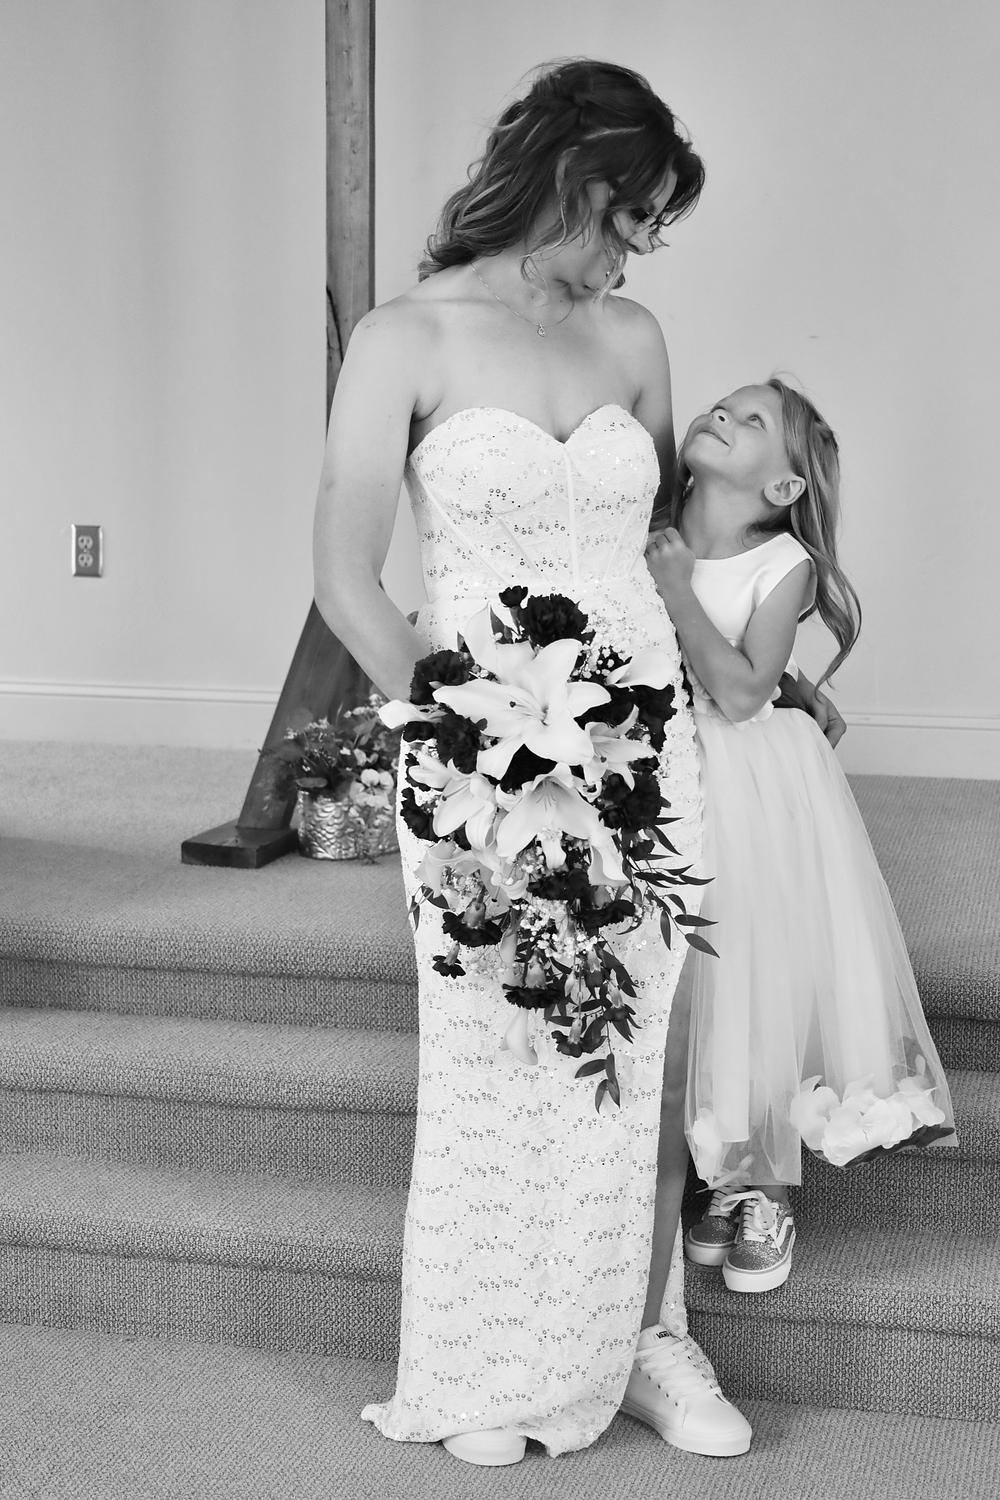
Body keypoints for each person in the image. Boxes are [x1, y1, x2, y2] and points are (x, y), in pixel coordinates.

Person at [313, 59, 755, 1465]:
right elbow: (345, 578)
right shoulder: (403, 337)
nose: (638, 248)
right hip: (473, 754)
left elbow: (665, 545)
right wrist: (471, 739)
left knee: (634, 1038)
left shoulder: (634, 337)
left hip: (639, 740)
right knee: (501, 1043)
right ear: (569, 175)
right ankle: (487, 1362)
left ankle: (640, 1339)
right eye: (629, 215)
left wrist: (761, 657)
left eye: (653, 226)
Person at [644, 379, 957, 1294]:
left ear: (783, 488)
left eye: (751, 422)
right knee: (686, 980)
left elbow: (744, 691)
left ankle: (765, 1180)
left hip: (744, 776)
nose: (720, 416)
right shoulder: (648, 530)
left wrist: (678, 592)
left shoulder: (783, 564)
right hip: (657, 765)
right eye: (723, 405)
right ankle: (713, 1160)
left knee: (753, 965)